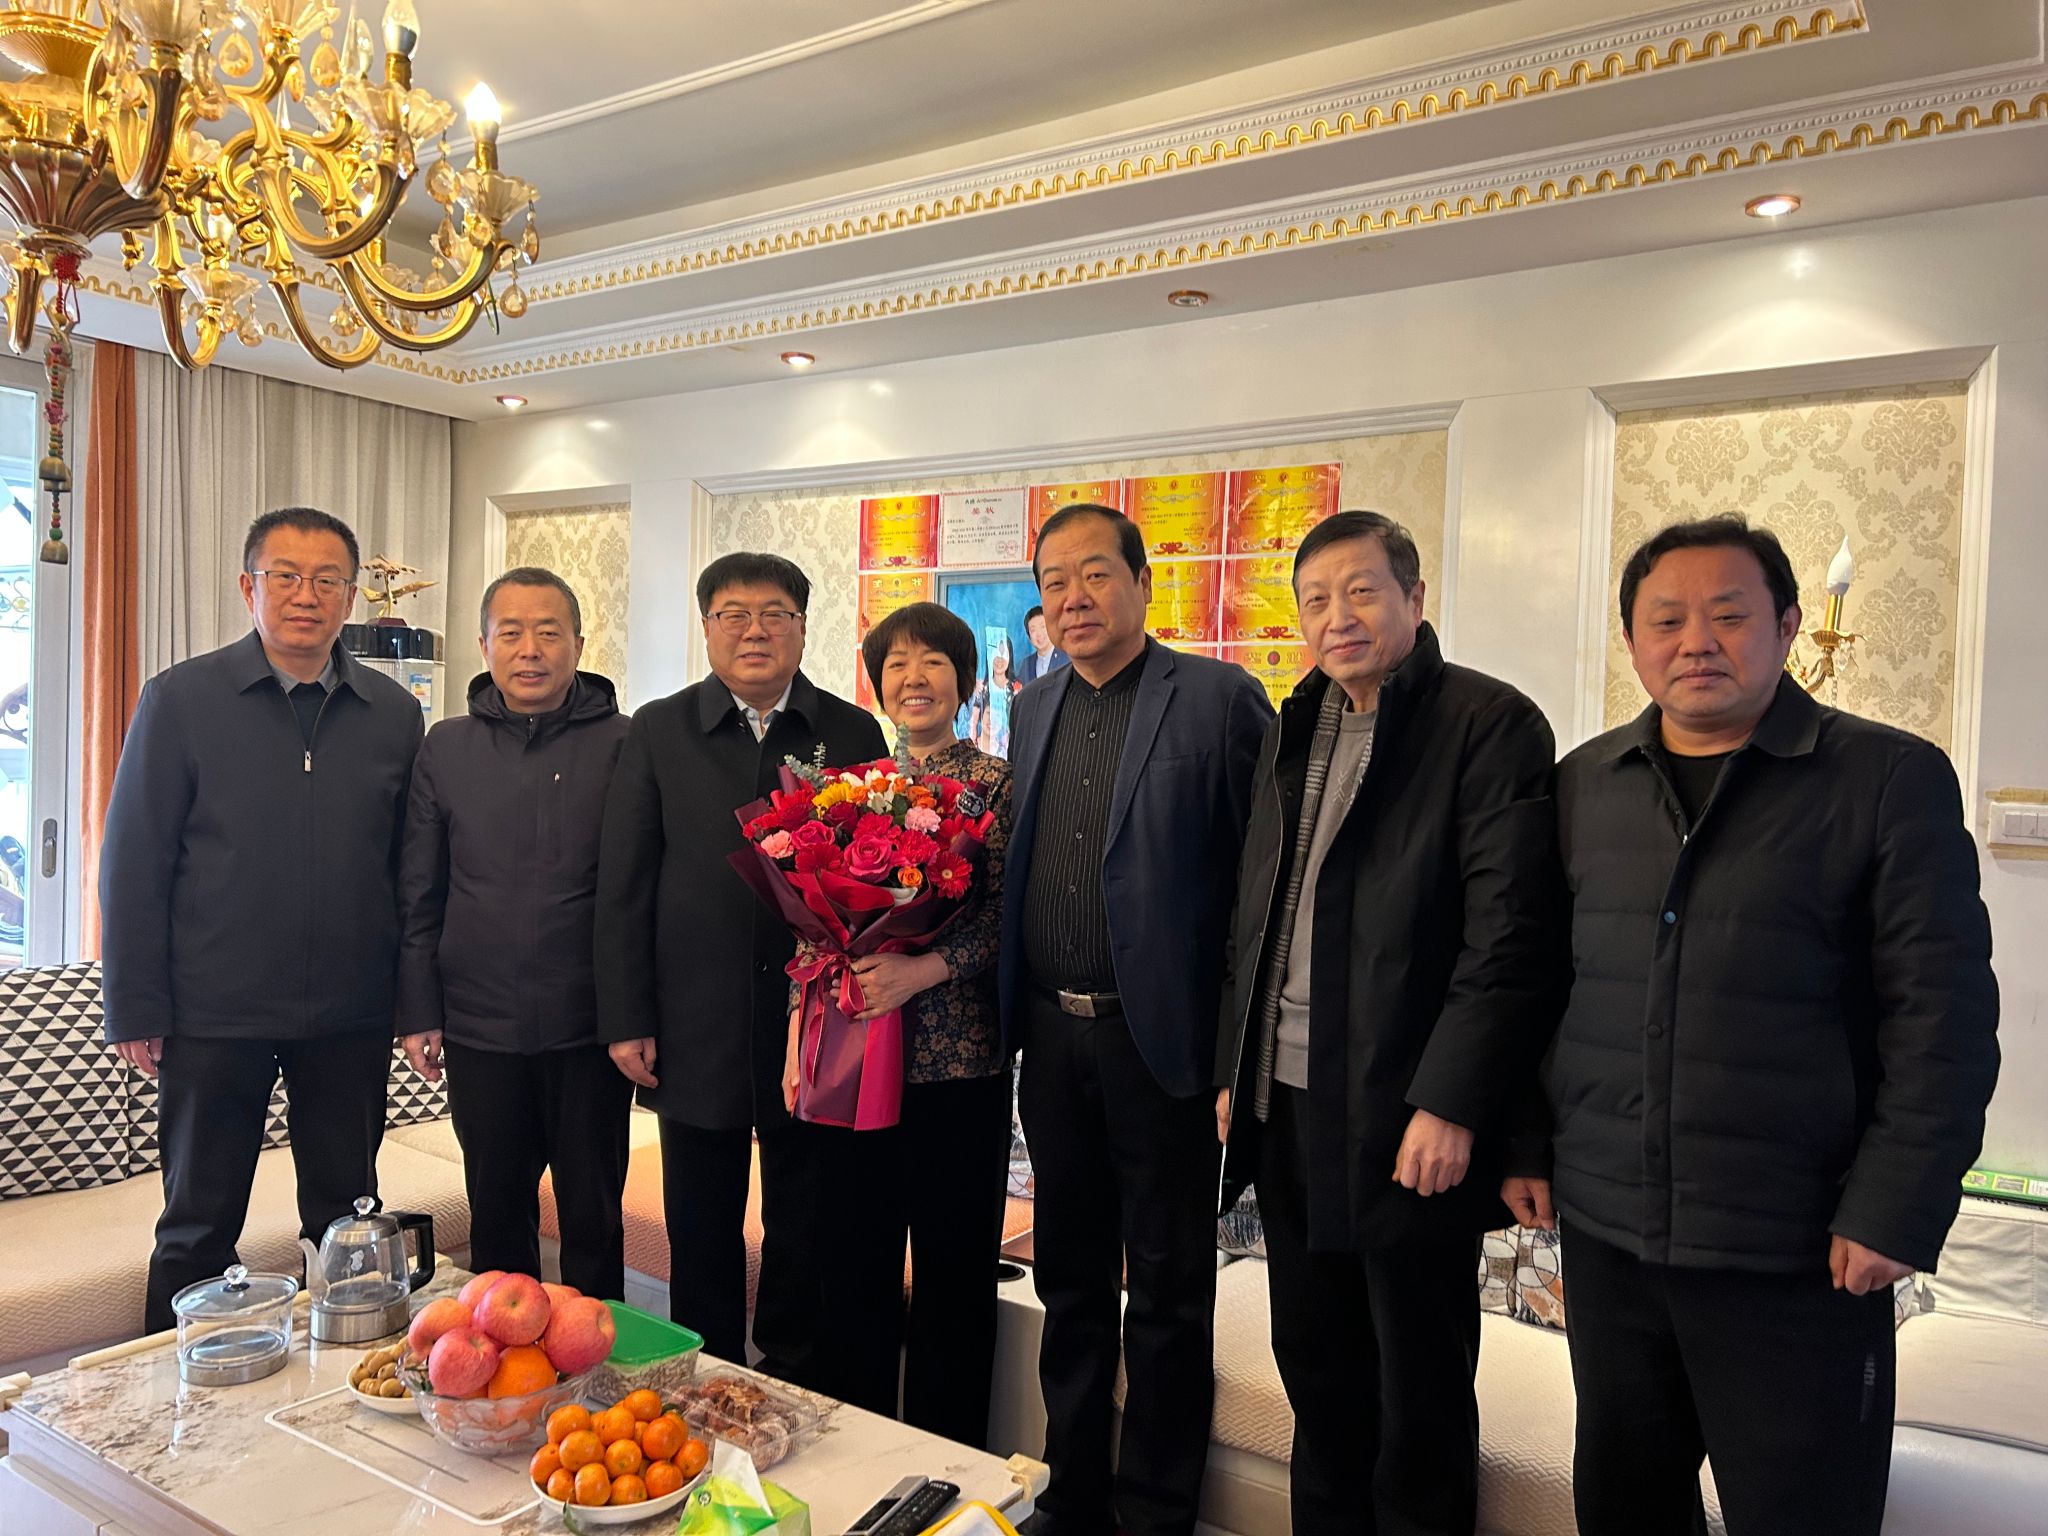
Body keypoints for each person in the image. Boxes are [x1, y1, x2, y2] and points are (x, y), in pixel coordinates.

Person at [1503, 516, 2000, 1536]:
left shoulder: (1884, 780)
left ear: (1785, 626)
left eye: (1728, 616)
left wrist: (1894, 1205)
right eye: (1666, 620)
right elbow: (1537, 983)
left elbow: (1941, 1018)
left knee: (1802, 1512)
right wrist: (1524, 1140)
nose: (1696, 641)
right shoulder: (1584, 783)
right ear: (1631, 641)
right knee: (1625, 1506)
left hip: (1797, 1247)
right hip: (1610, 1236)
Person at [1214, 511, 1561, 1536]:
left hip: (1403, 1116)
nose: (1338, 617)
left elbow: (1510, 937)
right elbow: (1256, 908)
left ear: (1413, 597)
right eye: (1315, 600)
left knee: (1417, 1391)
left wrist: (1450, 1103)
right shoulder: (1296, 721)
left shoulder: (1488, 723)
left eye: (1361, 591)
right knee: (1315, 1375)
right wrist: (1239, 1064)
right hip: (1285, 1104)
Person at [1002, 504, 1271, 1536]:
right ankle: (1071, 1495)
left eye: (1094, 575)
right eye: (1054, 582)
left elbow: (1258, 887)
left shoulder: (1216, 699)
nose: (1074, 598)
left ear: (1142, 584)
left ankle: (1156, 1513)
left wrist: (1231, 1055)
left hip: (1160, 1042)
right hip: (1050, 1038)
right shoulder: (1033, 705)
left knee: (1165, 1289)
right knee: (1067, 1280)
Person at [100, 507, 424, 1332]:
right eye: (285, 576)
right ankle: (165, 1392)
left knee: (347, 1220)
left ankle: (342, 1385)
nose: (305, 596)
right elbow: (134, 860)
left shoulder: (394, 713)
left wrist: (412, 1001)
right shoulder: (181, 699)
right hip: (215, 1011)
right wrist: (135, 1005)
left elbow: (410, 872)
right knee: (198, 1224)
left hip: (350, 1013)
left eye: (326, 580)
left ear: (349, 596)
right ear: (249, 587)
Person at [596, 553, 886, 1375]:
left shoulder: (851, 733)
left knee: (805, 1221)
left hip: (813, 1024)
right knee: (699, 1221)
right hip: (694, 1018)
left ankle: (795, 1379)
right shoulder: (659, 729)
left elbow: (877, 876)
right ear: (707, 627)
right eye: (734, 614)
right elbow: (624, 882)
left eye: (774, 614)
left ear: (803, 627)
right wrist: (626, 1016)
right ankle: (707, 1376)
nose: (754, 631)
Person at [783, 600, 1015, 1445]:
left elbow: (1007, 920)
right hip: (854, 1061)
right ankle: (864, 1448)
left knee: (955, 1271)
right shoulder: (850, 788)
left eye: (933, 662)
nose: (914, 679)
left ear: (964, 680)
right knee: (854, 1263)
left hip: (960, 1064)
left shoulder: (995, 785)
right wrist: (796, 1044)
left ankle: (953, 1458)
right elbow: (813, 933)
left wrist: (923, 969)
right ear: (878, 684)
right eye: (897, 665)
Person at [397, 568, 634, 1299]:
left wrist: (636, 1016)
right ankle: (503, 1361)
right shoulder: (446, 747)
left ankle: (601, 1361)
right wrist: (419, 1010)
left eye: (548, 632)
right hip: (481, 1028)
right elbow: (420, 891)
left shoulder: (626, 744)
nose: (530, 650)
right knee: (497, 1219)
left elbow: (640, 894)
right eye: (511, 633)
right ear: (484, 645)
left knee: (594, 1219)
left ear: (579, 645)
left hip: (590, 1029)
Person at [969, 635, 1019, 757]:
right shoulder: (982, 688)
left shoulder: (1017, 689)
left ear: (1010, 657)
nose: (999, 660)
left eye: (1003, 654)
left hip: (1010, 752)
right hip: (983, 750)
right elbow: (973, 722)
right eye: (995, 654)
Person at [1016, 605, 1067, 684]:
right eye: (1033, 630)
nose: (1039, 634)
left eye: (1043, 626)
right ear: (1029, 637)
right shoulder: (1026, 664)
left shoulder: (1067, 658)